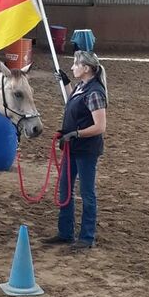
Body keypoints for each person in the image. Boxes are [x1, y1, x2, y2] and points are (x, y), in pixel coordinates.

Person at [43, 50, 108, 251]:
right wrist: (65, 82)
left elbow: (100, 126)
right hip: (73, 148)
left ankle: (87, 237)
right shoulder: (82, 86)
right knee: (65, 190)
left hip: (85, 150)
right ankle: (66, 233)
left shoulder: (95, 92)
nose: (72, 67)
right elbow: (74, 101)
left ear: (86, 68)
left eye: (75, 64)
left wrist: (75, 134)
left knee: (87, 193)